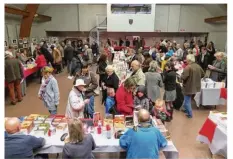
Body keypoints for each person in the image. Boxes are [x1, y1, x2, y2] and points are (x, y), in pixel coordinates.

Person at [181, 54, 204, 118]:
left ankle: (190, 114)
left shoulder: (188, 67)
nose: (186, 60)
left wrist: (181, 76)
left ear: (189, 60)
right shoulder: (198, 66)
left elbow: (184, 77)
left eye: (187, 59)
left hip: (188, 86)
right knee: (189, 100)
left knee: (187, 101)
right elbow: (203, 74)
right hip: (196, 86)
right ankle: (188, 112)